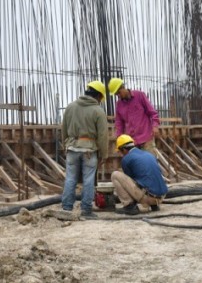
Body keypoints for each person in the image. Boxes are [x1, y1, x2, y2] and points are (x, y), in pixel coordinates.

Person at [60, 81, 109, 218]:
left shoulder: (70, 107)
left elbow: (63, 129)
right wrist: (104, 155)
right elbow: (103, 136)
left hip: (72, 148)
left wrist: (65, 145)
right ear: (98, 95)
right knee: (88, 180)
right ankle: (86, 210)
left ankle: (66, 208)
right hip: (89, 150)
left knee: (70, 179)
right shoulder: (98, 111)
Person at [111, 134, 168, 215]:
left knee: (115, 175)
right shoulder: (148, 154)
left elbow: (130, 182)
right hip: (161, 197)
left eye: (120, 151)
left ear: (123, 149)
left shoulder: (126, 159)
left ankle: (129, 207)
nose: (121, 154)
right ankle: (154, 206)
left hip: (148, 197)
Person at [108, 78, 160, 157]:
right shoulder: (119, 104)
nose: (118, 96)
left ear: (123, 87)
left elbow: (152, 113)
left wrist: (155, 125)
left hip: (146, 138)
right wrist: (119, 138)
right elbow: (119, 123)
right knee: (136, 165)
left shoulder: (140, 96)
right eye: (116, 94)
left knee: (150, 161)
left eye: (119, 93)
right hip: (132, 141)